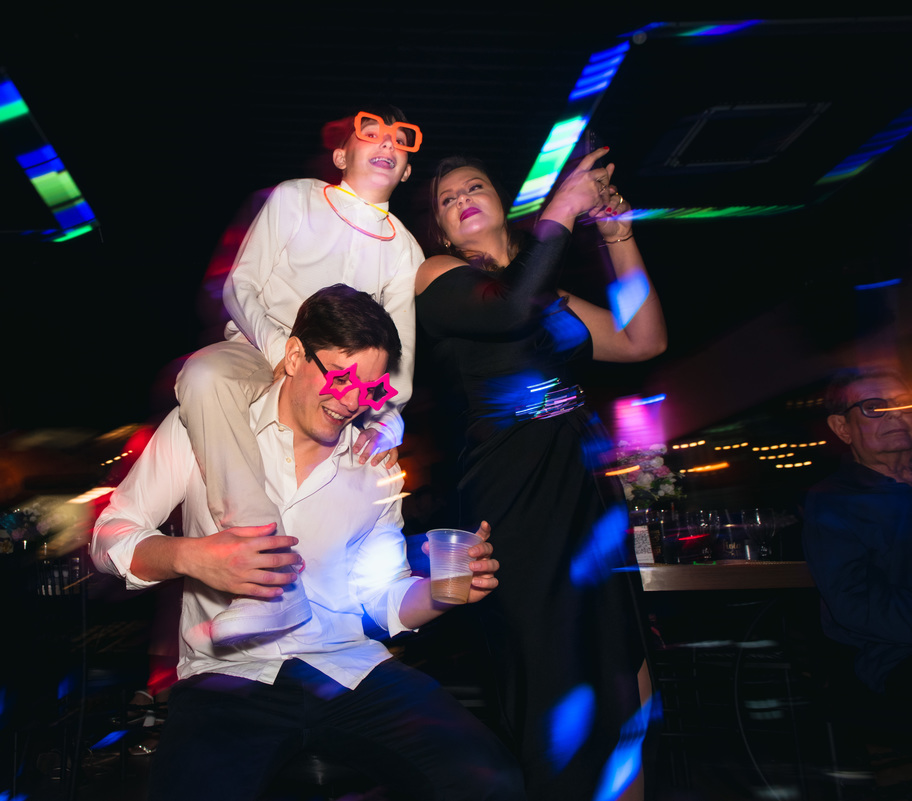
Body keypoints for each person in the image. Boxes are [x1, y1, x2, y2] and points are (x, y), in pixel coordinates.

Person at [92, 285, 523, 800]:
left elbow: (380, 599)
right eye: (340, 377)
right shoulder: (206, 427)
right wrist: (192, 558)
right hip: (228, 674)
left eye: (370, 388)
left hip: (347, 668)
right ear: (295, 356)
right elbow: (111, 532)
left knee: (490, 779)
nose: (352, 402)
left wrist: (439, 592)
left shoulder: (375, 467)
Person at [414, 149, 666, 800]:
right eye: (447, 198)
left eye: (475, 186)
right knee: (556, 688)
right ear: (440, 228)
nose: (463, 198)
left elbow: (642, 339)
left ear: (502, 202)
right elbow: (508, 310)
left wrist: (618, 237)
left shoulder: (550, 292)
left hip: (587, 495)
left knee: (627, 686)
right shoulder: (438, 276)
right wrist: (566, 206)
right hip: (517, 500)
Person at [176, 105, 425, 645]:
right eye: (371, 132)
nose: (387, 142)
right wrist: (278, 353)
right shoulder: (295, 197)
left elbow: (398, 353)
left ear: (406, 171)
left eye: (402, 139)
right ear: (340, 154)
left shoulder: (406, 249)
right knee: (202, 376)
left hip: (338, 384)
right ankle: (268, 566)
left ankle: (323, 623)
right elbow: (240, 286)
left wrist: (391, 417)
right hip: (258, 351)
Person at [803, 367, 912, 707]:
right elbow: (855, 602)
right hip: (894, 655)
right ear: (842, 428)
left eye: (904, 404)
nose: (895, 415)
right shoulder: (835, 500)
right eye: (874, 407)